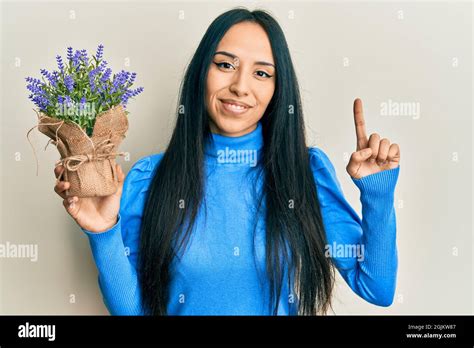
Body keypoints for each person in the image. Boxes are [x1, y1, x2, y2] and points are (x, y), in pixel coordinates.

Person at [54, 8, 401, 315]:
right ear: (201, 73)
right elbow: (133, 311)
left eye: (261, 73)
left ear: (278, 90)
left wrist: (378, 193)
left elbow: (377, 288)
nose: (240, 86)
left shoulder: (304, 174)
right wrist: (102, 233)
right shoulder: (149, 178)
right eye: (225, 65)